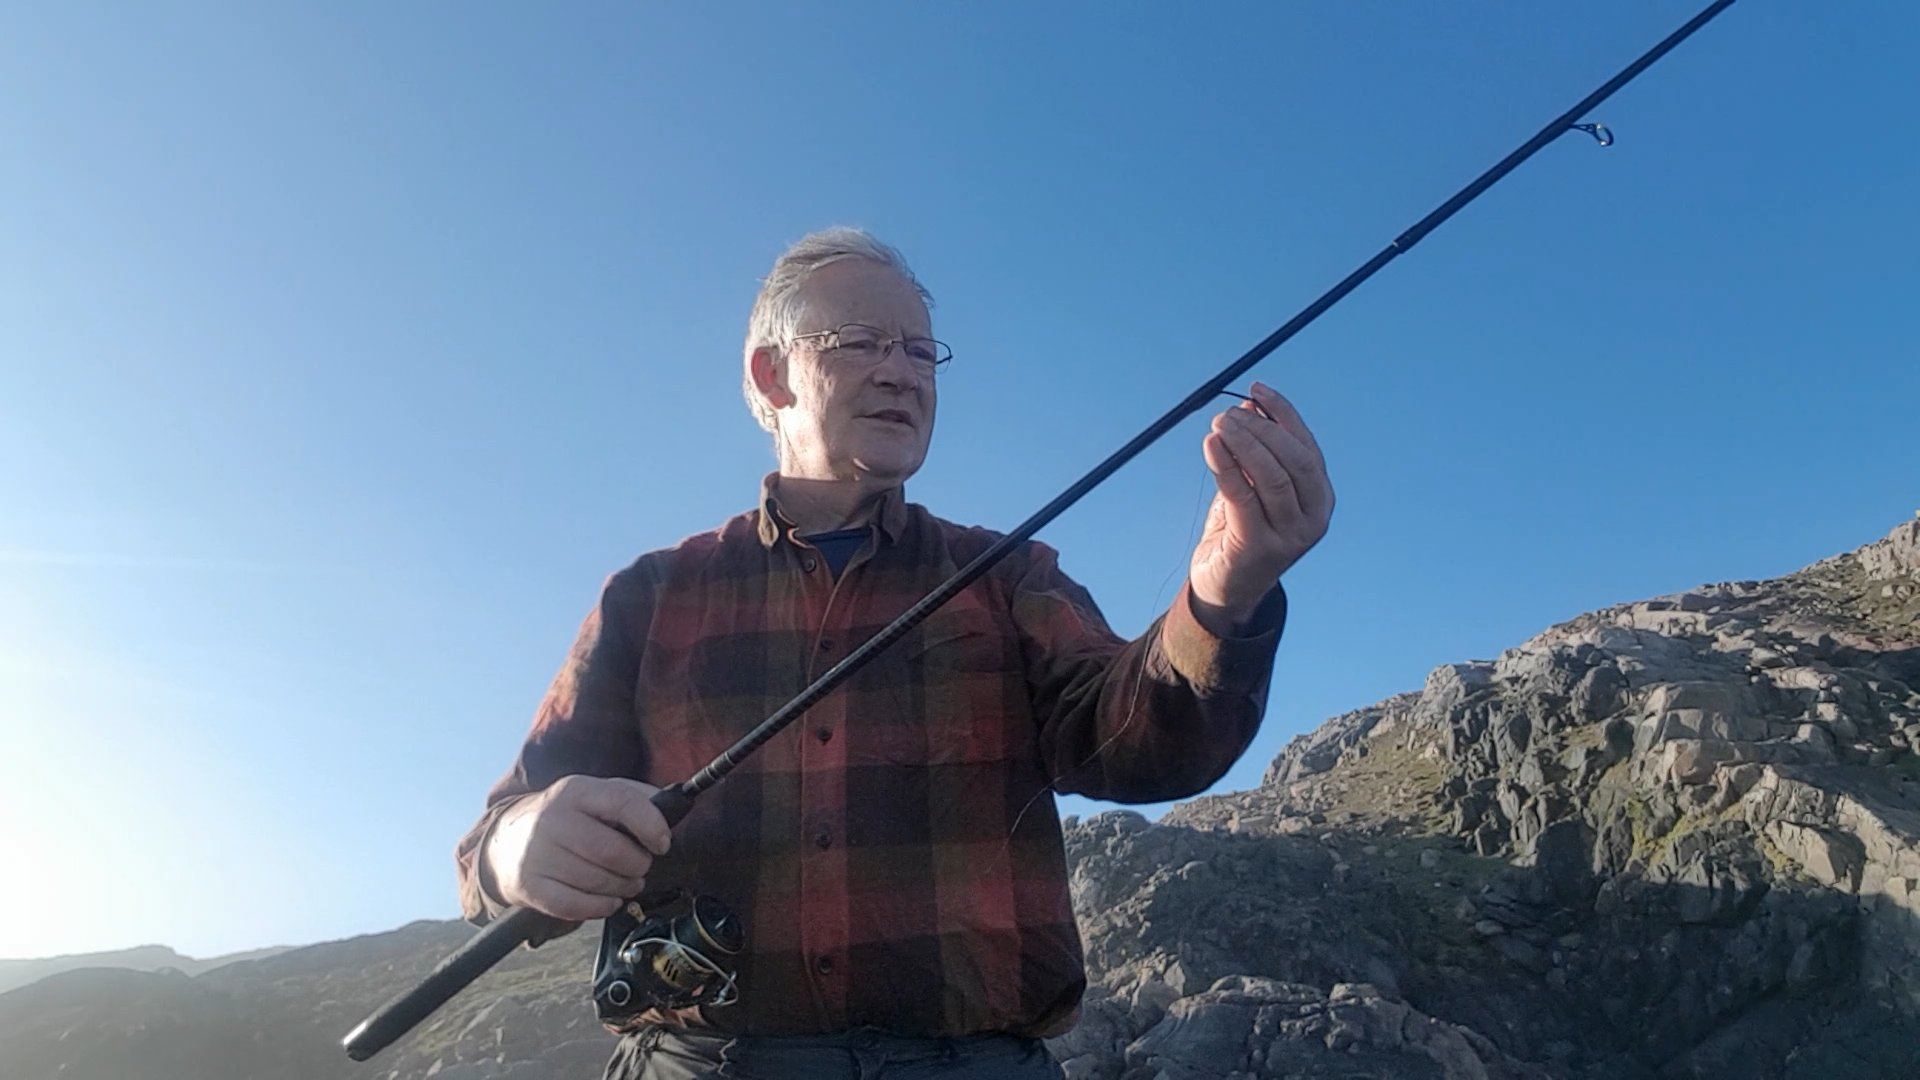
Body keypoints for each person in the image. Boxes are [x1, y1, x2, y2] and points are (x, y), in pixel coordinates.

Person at [454, 228, 1333, 1079]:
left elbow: (1141, 744)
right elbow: (494, 841)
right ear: (772, 374)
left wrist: (1225, 594)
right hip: (700, 1061)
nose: (900, 372)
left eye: (921, 351)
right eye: (862, 341)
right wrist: (517, 846)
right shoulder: (648, 596)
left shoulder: (1012, 577)